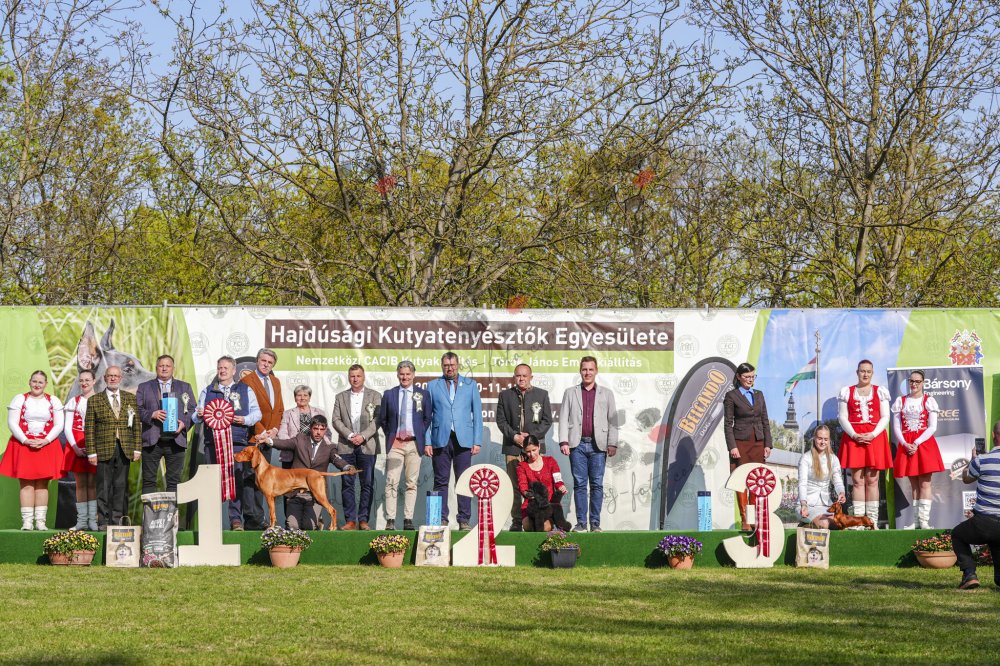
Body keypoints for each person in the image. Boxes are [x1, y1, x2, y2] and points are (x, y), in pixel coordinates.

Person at [194, 356, 262, 531]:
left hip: (237, 442)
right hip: (213, 444)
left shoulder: (245, 389)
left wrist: (245, 419)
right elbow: (195, 416)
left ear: (233, 371)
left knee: (236, 481)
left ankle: (235, 520)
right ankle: (211, 521)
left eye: (226, 368)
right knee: (211, 481)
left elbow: (257, 413)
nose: (222, 371)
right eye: (220, 368)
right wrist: (199, 414)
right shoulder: (208, 390)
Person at [558, 356, 619, 533]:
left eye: (591, 369)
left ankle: (595, 523)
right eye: (584, 369)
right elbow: (563, 418)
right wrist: (564, 441)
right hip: (576, 445)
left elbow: (613, 420)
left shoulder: (607, 393)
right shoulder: (570, 392)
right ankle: (581, 523)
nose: (587, 373)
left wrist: (612, 443)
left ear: (596, 371)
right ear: (580, 371)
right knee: (579, 484)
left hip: (598, 446)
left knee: (597, 484)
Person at [0, 371, 65, 530]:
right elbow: (12, 423)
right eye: (34, 381)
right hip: (24, 445)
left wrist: (46, 440)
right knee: (26, 484)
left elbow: (59, 425)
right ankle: (27, 522)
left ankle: (40, 522)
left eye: (40, 382)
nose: (37, 384)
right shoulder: (19, 399)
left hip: (47, 445)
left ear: (45, 384)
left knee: (43, 484)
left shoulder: (54, 401)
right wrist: (25, 440)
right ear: (29, 382)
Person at [264, 415, 354, 530]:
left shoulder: (330, 447)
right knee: (292, 526)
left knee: (309, 526)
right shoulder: (300, 440)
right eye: (315, 429)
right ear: (310, 428)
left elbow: (337, 459)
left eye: (322, 429)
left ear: (325, 430)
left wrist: (347, 467)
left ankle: (320, 519)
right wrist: (268, 440)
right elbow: (284, 443)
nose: (318, 432)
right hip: (296, 495)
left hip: (314, 497)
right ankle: (314, 518)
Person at [426, 352, 482, 531]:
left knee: (463, 480)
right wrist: (427, 441)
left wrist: (477, 441)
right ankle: (440, 519)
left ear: (458, 365)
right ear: (442, 366)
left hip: (464, 440)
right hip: (440, 439)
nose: (449, 368)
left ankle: (464, 520)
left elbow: (477, 415)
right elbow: (427, 416)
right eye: (446, 365)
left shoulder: (471, 385)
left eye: (452, 365)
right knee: (440, 480)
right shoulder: (432, 385)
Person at [495, 363, 553, 531]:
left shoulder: (542, 394)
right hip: (512, 448)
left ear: (531, 377)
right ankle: (517, 521)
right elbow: (501, 421)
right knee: (514, 486)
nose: (521, 378)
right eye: (518, 375)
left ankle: (538, 519)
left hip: (534, 449)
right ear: (514, 377)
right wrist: (515, 436)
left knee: (537, 486)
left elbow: (547, 421)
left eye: (524, 376)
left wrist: (530, 438)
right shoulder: (505, 395)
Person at [84, 366, 142, 529]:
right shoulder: (94, 400)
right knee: (103, 487)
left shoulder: (130, 398)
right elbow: (89, 428)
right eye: (110, 376)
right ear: (104, 378)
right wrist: (91, 452)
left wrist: (137, 448)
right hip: (103, 448)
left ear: (121, 378)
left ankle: (118, 520)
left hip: (125, 448)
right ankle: (103, 521)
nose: (113, 378)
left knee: (121, 487)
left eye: (116, 376)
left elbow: (136, 426)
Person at [837, 359, 892, 529]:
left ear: (872, 373)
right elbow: (842, 417)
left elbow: (885, 416)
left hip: (874, 437)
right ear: (857, 372)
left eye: (868, 371)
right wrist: (854, 435)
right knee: (857, 480)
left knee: (873, 480)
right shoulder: (847, 392)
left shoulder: (880, 391)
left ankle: (872, 522)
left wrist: (873, 434)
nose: (865, 374)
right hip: (854, 438)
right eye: (862, 371)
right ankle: (859, 522)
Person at [379, 361, 432, 530]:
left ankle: (408, 519)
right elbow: (383, 419)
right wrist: (392, 435)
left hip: (414, 445)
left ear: (413, 375)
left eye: (408, 374)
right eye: (402, 374)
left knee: (411, 483)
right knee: (391, 481)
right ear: (397, 374)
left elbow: (427, 418)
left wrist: (419, 433)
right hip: (395, 445)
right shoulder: (389, 394)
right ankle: (390, 519)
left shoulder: (423, 394)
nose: (405, 377)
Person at [136, 355, 197, 494]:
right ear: (156, 368)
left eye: (167, 366)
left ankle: (172, 509)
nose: (164, 368)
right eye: (161, 365)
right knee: (149, 481)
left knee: (174, 482)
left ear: (173, 368)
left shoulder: (185, 387)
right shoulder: (144, 387)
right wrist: (151, 414)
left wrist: (184, 424)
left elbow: (193, 410)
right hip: (152, 441)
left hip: (176, 441)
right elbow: (137, 409)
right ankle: (149, 509)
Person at [330, 365, 381, 530]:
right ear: (348, 377)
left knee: (367, 484)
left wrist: (363, 436)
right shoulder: (340, 397)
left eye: (358, 376)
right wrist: (350, 435)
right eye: (352, 376)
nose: (355, 379)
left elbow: (378, 420)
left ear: (364, 377)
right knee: (347, 484)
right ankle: (350, 521)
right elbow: (335, 420)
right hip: (346, 446)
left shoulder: (375, 395)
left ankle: (364, 520)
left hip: (368, 446)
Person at [892, 369, 944, 529]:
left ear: (923, 383)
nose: (914, 384)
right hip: (906, 444)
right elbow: (896, 427)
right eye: (911, 381)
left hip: (924, 443)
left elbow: (932, 426)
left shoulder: (929, 400)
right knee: (914, 485)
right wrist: (905, 443)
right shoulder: (900, 401)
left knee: (925, 483)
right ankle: (916, 522)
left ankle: (924, 521)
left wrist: (917, 442)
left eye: (917, 381)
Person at [723, 362, 772, 531]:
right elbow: (728, 424)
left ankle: (754, 519)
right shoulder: (731, 396)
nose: (751, 379)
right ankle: (745, 519)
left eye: (753, 376)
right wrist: (732, 446)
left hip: (758, 442)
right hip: (740, 444)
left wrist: (768, 444)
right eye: (747, 377)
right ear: (738, 377)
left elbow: (765, 420)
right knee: (741, 480)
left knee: (756, 480)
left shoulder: (759, 394)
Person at [952, 421, 1000, 590]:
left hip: (984, 522)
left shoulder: (982, 460)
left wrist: (972, 460)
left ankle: (970, 575)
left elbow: (966, 478)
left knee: (958, 535)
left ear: (993, 436)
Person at [241, 347, 284, 528]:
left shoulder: (275, 381)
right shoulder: (246, 381)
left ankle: (259, 518)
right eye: (263, 361)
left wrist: (274, 430)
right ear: (257, 361)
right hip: (253, 438)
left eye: (270, 362)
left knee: (262, 480)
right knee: (250, 479)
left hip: (268, 440)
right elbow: (246, 410)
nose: (266, 364)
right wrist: (261, 431)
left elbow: (279, 409)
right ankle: (251, 519)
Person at [62, 370, 98, 530]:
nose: (84, 383)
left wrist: (95, 447)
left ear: (94, 381)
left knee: (93, 484)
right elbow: (67, 427)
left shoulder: (101, 400)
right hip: (76, 443)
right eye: (81, 380)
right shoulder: (74, 401)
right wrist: (75, 447)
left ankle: (93, 521)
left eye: (87, 380)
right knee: (80, 484)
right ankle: (82, 521)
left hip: (95, 443)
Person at [516, 436, 569, 532]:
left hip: (548, 505)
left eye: (534, 450)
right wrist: (527, 493)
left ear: (539, 447)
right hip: (530, 506)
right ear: (524, 450)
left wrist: (561, 486)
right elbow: (522, 485)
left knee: (544, 527)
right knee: (528, 525)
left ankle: (552, 524)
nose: (531, 454)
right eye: (528, 451)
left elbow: (558, 480)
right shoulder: (522, 466)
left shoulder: (550, 461)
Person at [797, 425, 846, 529]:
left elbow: (837, 481)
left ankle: (809, 525)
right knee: (825, 523)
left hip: (826, 505)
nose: (823, 442)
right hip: (807, 505)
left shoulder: (834, 459)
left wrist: (841, 492)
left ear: (829, 441)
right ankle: (807, 524)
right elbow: (802, 484)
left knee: (840, 523)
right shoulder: (805, 458)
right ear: (814, 439)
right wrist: (803, 504)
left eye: (825, 439)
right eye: (820, 438)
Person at [277, 385, 326, 470]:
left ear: (309, 398)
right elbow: (282, 433)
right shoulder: (287, 413)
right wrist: (292, 445)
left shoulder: (319, 412)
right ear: (295, 398)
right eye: (299, 395)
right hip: (292, 454)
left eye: (305, 395)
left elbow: (326, 432)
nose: (302, 398)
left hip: (313, 454)